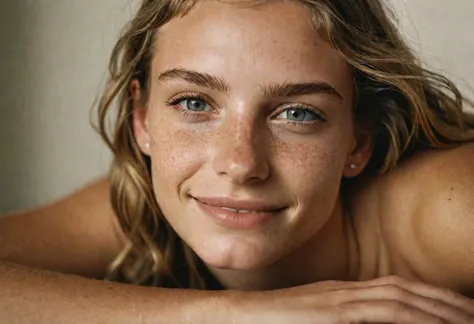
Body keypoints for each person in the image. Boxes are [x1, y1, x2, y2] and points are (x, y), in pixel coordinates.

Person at [1, 0, 474, 322]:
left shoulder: (451, 208)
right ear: (142, 120)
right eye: (193, 104)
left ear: (358, 141)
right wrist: (228, 313)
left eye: (297, 113)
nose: (240, 164)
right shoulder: (148, 202)